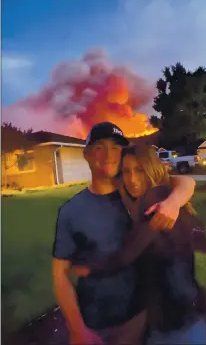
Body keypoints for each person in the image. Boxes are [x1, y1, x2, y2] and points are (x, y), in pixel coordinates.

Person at [52, 122, 196, 345]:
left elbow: (181, 181)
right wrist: (77, 329)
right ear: (87, 154)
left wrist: (174, 201)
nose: (108, 154)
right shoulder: (71, 212)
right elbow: (60, 275)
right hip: (95, 323)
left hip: (146, 316)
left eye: (116, 147)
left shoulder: (139, 194)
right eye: (99, 147)